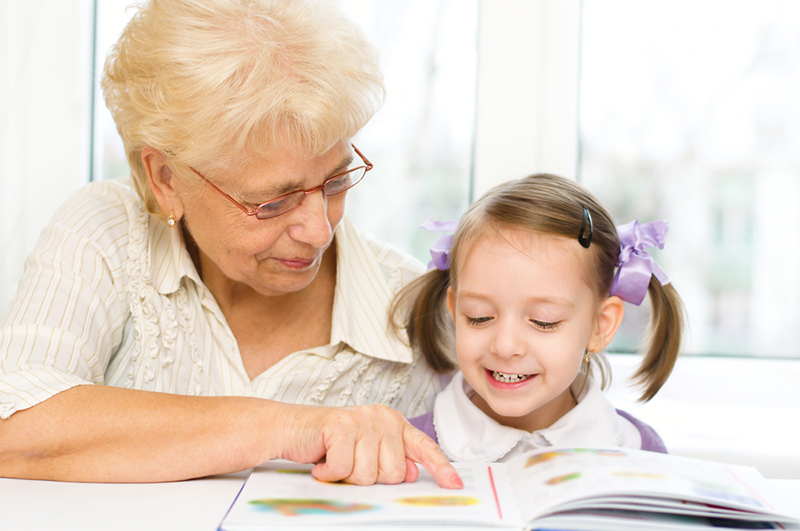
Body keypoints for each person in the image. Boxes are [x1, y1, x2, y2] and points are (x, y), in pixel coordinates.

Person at [0, 0, 461, 489]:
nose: (320, 230)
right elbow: (14, 425)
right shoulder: (108, 231)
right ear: (166, 178)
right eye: (273, 200)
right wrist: (286, 425)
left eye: (335, 180)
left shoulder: (419, 312)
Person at [396, 173, 685, 462]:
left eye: (544, 321)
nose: (506, 346)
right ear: (454, 310)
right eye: (479, 317)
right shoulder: (406, 450)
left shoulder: (642, 452)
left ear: (601, 325)